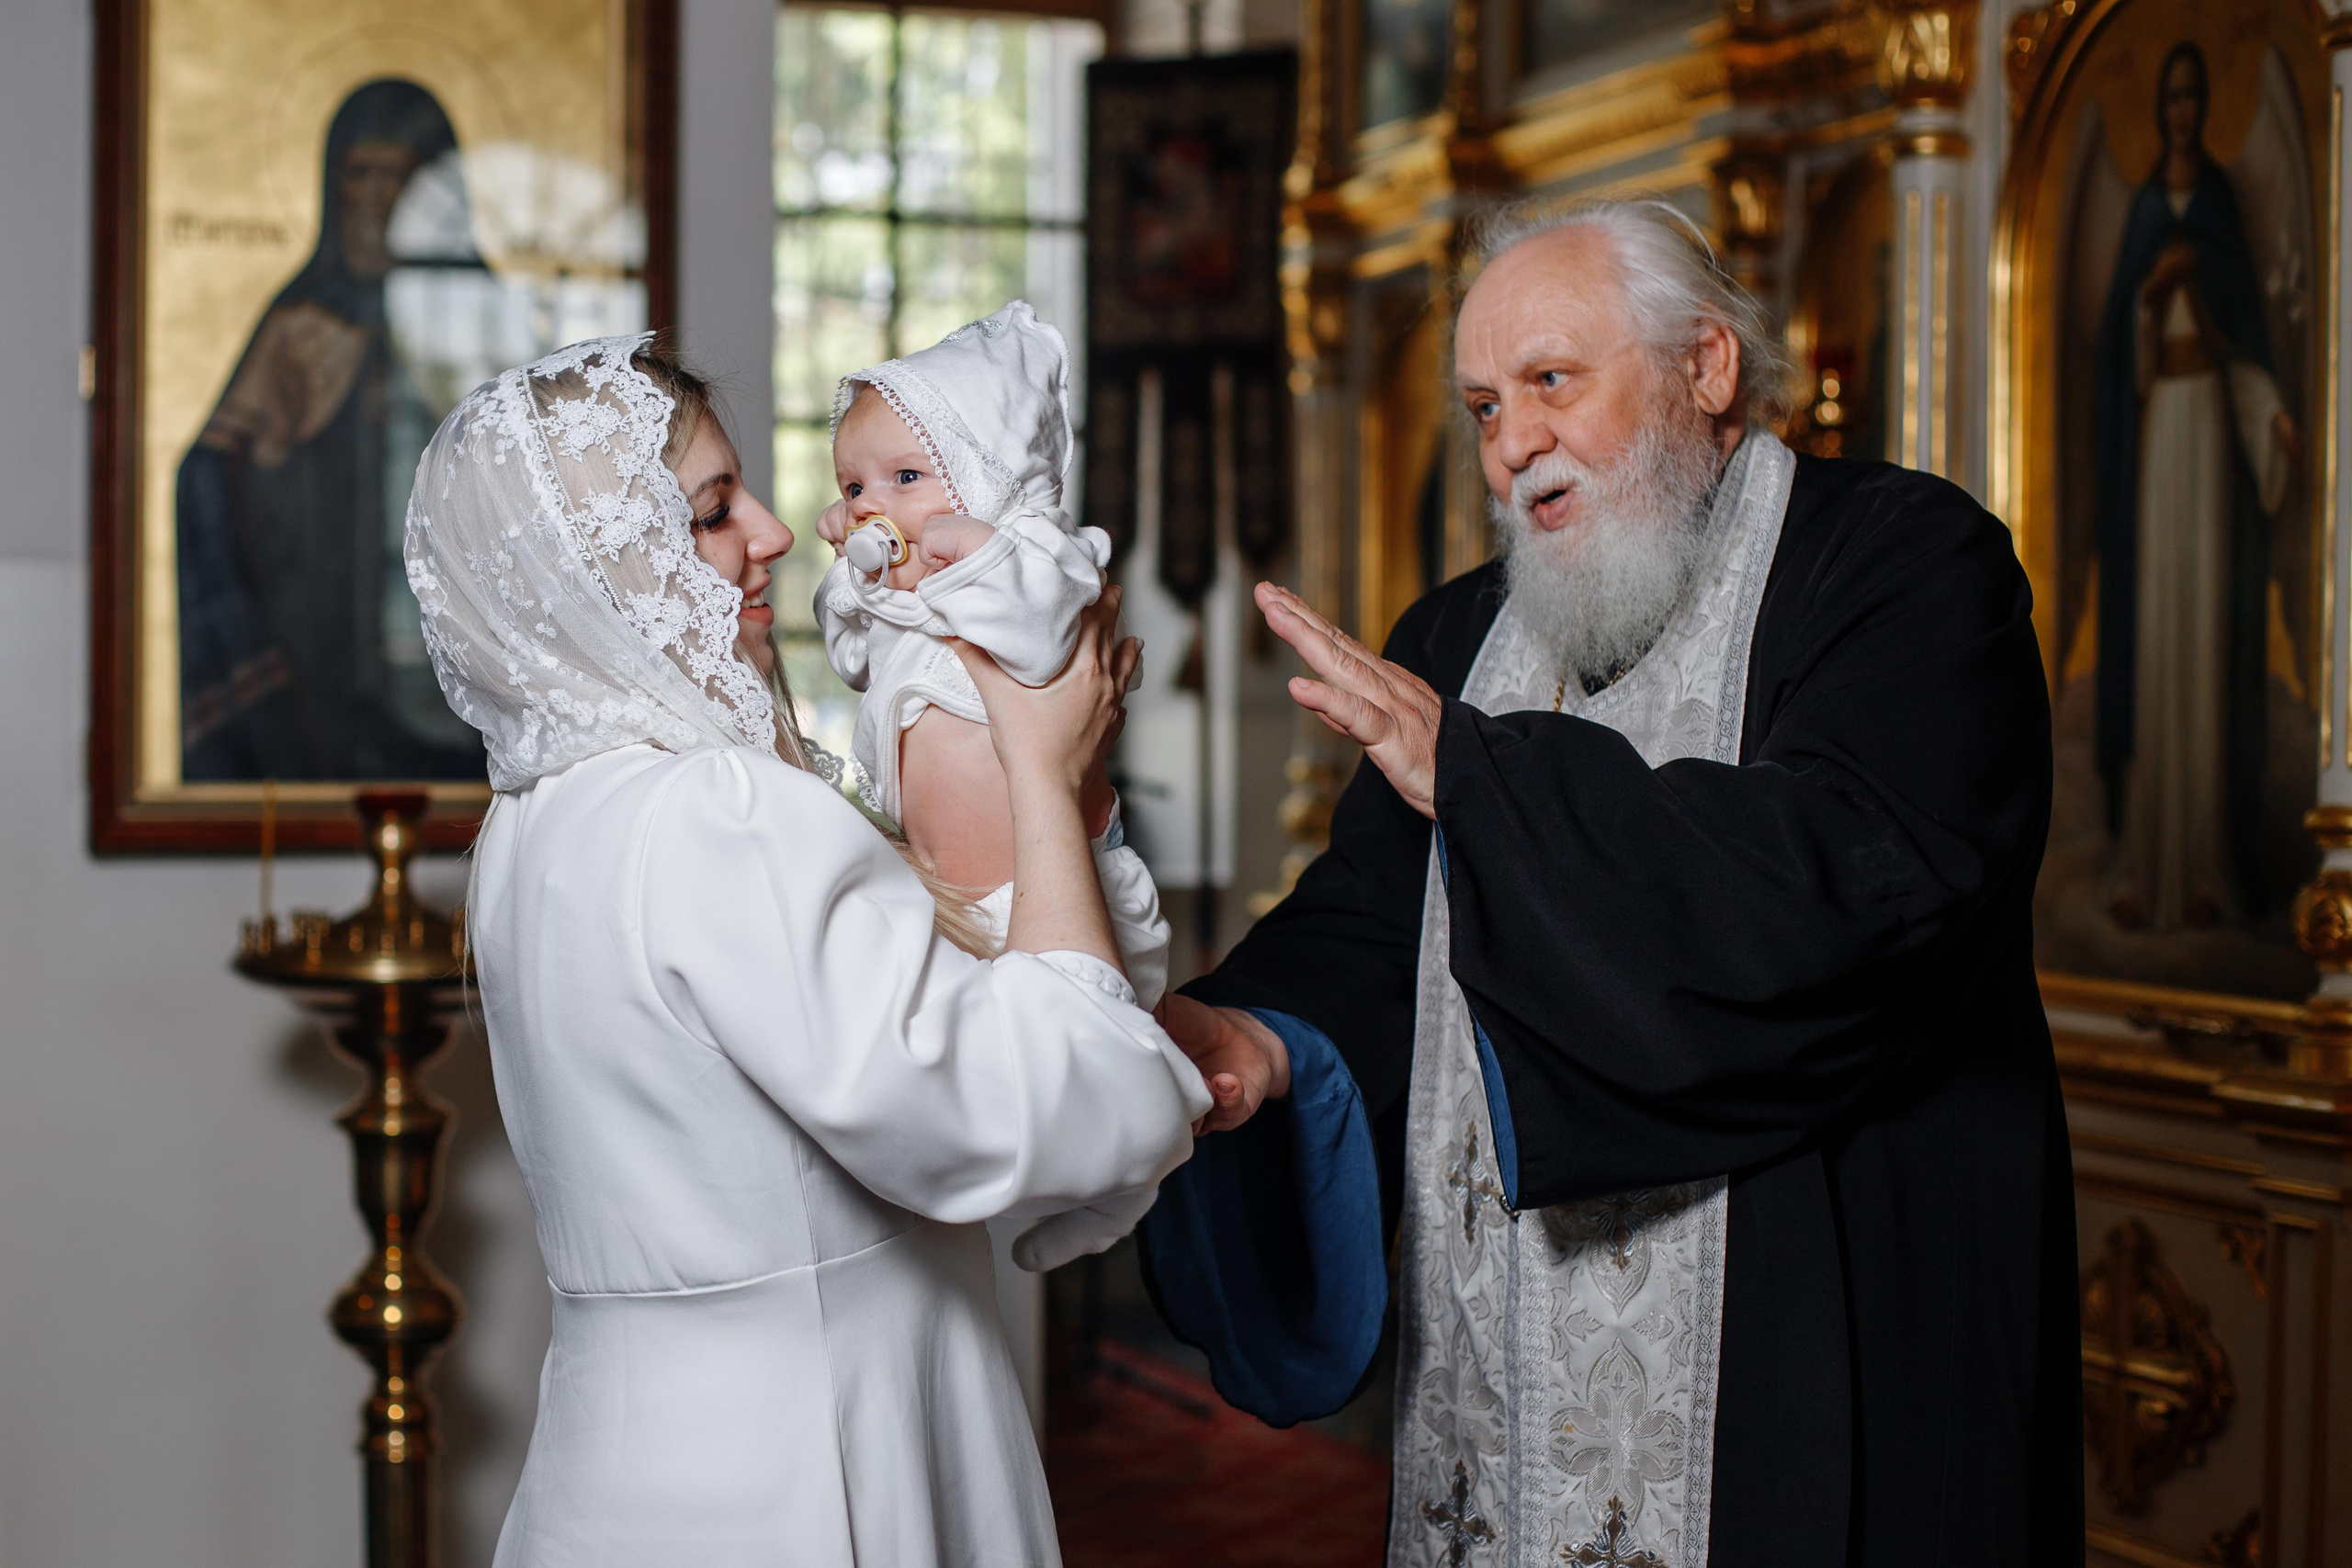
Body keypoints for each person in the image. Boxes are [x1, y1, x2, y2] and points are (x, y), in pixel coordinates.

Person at [1139, 198, 2081, 1567]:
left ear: (1705, 367)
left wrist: (1480, 778)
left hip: (1809, 1361)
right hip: (1503, 1382)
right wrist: (1259, 1033)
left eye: (1549, 383)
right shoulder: (1459, 635)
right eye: (1480, 407)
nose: (1512, 443)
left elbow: (1851, 884)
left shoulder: (1906, 567)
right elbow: (1375, 928)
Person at [403, 335, 1214, 1565]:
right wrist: (1046, 774)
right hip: (818, 1441)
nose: (779, 532)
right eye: (713, 510)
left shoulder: (531, 822)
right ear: (605, 564)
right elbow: (1054, 1109)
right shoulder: (715, 813)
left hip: (624, 1451)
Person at [814, 301, 1175, 1267]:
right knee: (982, 1080)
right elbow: (847, 652)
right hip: (946, 895)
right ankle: (1085, 1182)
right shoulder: (902, 601)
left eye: (903, 477)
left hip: (1042, 889)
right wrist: (854, 578)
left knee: (1099, 1039)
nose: (870, 504)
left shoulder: (1034, 561)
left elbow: (1037, 628)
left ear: (990, 479)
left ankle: (1129, 1182)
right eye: (853, 483)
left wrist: (971, 554)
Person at [179, 77, 489, 782]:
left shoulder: (479, 315)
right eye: (361, 174)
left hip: (450, 651)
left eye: (399, 176)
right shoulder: (298, 322)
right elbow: (204, 478)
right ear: (333, 184)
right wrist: (275, 456)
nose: (378, 196)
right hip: (323, 640)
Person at [2093, 39, 2300, 931]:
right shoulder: (2144, 209)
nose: (2179, 110)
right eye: (2168, 97)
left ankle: (2206, 866)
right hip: (2156, 436)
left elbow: (2246, 332)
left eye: (2189, 97)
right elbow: (2114, 357)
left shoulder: (2214, 199)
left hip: (2209, 433)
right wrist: (2146, 298)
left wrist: (2269, 419)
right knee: (2154, 637)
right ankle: (2146, 862)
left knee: (2203, 635)